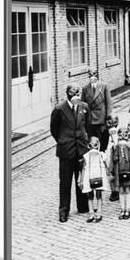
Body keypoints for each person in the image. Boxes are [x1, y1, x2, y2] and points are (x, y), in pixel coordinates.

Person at [49, 84, 90, 222]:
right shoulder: (59, 109)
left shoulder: (84, 107)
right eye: (72, 92)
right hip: (66, 150)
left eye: (77, 92)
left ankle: (83, 205)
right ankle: (64, 210)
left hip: (81, 149)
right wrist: (62, 140)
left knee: (82, 179)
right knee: (65, 182)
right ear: (67, 93)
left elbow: (88, 126)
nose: (74, 94)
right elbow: (54, 129)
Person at [109, 128, 130, 219]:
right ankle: (122, 209)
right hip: (118, 170)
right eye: (120, 135)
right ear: (118, 136)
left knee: (127, 189)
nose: (122, 137)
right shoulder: (115, 147)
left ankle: (127, 209)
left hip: (129, 170)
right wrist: (110, 171)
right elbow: (111, 159)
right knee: (121, 190)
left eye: (125, 134)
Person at [78, 136, 109, 223]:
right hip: (89, 176)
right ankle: (91, 212)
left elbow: (106, 166)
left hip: (99, 176)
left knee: (98, 194)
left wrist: (108, 174)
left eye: (96, 144)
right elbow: (83, 168)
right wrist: (81, 179)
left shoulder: (102, 155)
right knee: (90, 195)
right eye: (92, 145)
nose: (94, 147)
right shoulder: (86, 156)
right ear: (89, 146)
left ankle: (99, 212)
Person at [81, 70, 113, 152]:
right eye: (90, 75)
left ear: (97, 76)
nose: (92, 76)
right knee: (92, 138)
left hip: (101, 118)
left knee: (103, 138)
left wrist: (108, 116)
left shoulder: (104, 86)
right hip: (90, 119)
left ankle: (102, 153)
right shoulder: (85, 88)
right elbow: (83, 104)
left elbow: (108, 102)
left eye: (94, 74)